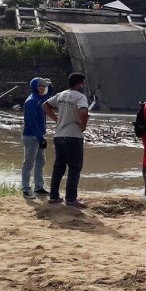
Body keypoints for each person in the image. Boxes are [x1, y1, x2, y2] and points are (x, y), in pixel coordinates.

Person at [44, 72, 90, 208]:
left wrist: (57, 120)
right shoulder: (80, 97)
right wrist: (83, 125)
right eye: (83, 83)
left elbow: (45, 106)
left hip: (59, 135)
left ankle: (53, 196)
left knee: (59, 167)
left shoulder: (61, 95)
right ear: (79, 84)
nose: (83, 86)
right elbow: (83, 112)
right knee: (75, 168)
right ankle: (71, 198)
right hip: (73, 136)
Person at [20, 77, 52, 200]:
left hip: (39, 136)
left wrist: (49, 84)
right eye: (41, 86)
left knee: (41, 162)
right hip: (31, 136)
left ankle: (39, 187)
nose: (43, 88)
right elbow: (32, 122)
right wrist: (40, 138)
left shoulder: (40, 99)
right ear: (35, 87)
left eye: (44, 86)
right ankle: (26, 189)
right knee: (28, 164)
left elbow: (49, 93)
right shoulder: (32, 101)